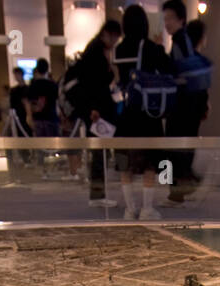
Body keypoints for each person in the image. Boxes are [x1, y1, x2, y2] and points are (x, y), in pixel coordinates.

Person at [113, 4, 173, 220]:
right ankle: (147, 208)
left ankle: (130, 209)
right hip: (148, 113)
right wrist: (158, 46)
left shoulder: (119, 49)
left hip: (125, 114)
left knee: (125, 164)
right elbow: (168, 69)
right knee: (150, 162)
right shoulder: (150, 47)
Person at [69, 19, 122, 207]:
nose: (115, 42)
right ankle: (97, 194)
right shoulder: (96, 53)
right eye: (114, 37)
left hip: (95, 110)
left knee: (99, 153)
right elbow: (93, 84)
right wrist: (93, 108)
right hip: (96, 112)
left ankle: (98, 193)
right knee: (99, 153)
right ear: (108, 34)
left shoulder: (95, 50)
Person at [165, 15, 210, 205]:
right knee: (184, 151)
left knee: (176, 150)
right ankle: (184, 185)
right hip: (189, 111)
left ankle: (179, 189)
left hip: (176, 110)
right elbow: (200, 89)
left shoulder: (178, 55)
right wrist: (203, 108)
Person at [27, 58, 60, 137]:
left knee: (39, 146)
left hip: (38, 119)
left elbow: (29, 102)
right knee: (53, 146)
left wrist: (29, 116)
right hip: (51, 118)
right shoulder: (53, 85)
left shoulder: (32, 85)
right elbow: (57, 101)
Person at [7, 65, 31, 136]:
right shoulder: (13, 90)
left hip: (25, 115)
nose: (16, 76)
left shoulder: (28, 89)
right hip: (16, 115)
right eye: (15, 75)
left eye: (17, 74)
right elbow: (12, 104)